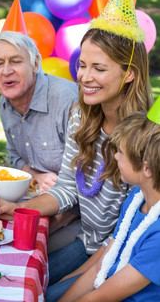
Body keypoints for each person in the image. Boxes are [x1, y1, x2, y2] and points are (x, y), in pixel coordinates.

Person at [0, 0, 153, 302]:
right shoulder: (82, 115)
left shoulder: (144, 137)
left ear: (129, 74)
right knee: (9, 279)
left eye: (99, 69)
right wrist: (20, 211)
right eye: (83, 65)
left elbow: (129, 236)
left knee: (34, 292)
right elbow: (67, 189)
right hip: (87, 243)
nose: (84, 77)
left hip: (119, 257)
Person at [59, 109, 160, 301]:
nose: (115, 157)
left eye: (121, 152)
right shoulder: (136, 199)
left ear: (146, 168)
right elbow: (101, 265)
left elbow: (101, 297)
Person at [0, 31, 78, 192]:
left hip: (76, 202)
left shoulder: (66, 99)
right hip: (36, 191)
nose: (6, 71)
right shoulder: (5, 101)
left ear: (35, 64)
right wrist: (36, 175)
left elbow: (89, 171)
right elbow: (15, 156)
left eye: (16, 61)